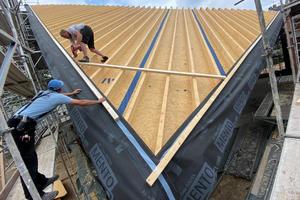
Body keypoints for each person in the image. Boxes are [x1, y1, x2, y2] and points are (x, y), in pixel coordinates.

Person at [7, 79, 105, 200]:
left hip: (19, 122)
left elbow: (59, 96)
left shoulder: (43, 92)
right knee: (28, 161)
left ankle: (41, 181)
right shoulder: (57, 97)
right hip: (22, 127)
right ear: (59, 89)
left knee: (32, 157)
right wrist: (97, 101)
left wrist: (71, 93)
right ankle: (34, 195)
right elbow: (81, 102)